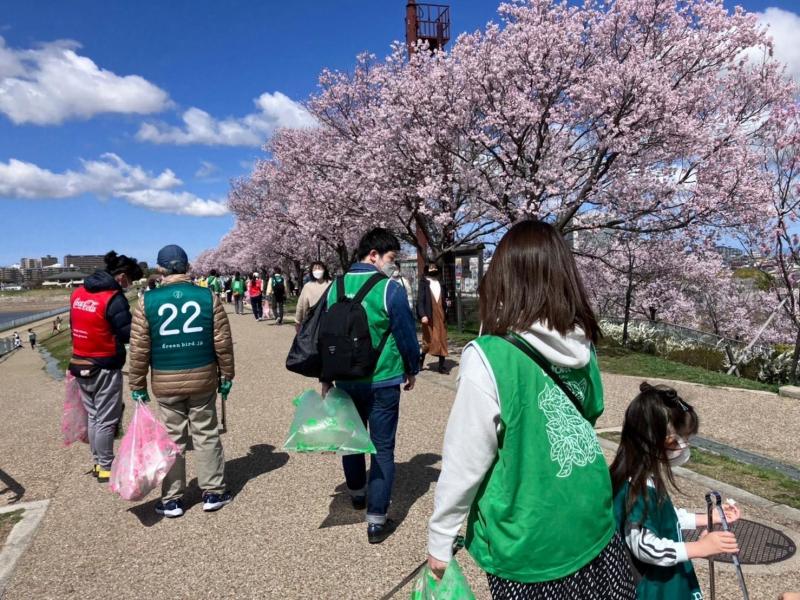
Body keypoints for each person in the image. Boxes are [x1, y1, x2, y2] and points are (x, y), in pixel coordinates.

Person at [426, 220, 635, 599]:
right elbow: (592, 410)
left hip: (531, 539)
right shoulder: (582, 344)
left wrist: (440, 538)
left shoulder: (489, 355)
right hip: (592, 514)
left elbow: (466, 458)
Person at [322, 227, 420, 544]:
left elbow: (323, 338)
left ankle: (357, 493)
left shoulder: (333, 287)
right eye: (391, 258)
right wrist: (412, 368)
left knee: (352, 440)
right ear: (373, 255)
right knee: (382, 447)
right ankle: (377, 521)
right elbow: (406, 333)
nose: (393, 265)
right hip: (383, 378)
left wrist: (324, 377)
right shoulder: (389, 290)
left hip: (345, 378)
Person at [128, 244, 235, 518]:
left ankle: (173, 499)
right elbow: (222, 341)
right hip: (203, 376)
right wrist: (227, 374)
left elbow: (140, 347)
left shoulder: (146, 301)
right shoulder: (206, 296)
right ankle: (213, 491)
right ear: (187, 267)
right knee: (206, 434)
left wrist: (137, 384)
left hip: (165, 379)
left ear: (161, 269)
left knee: (172, 438)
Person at [611, 382, 741, 599]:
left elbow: (666, 518)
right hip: (651, 588)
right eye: (677, 442)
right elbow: (645, 546)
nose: (684, 447)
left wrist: (707, 517)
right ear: (653, 442)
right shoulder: (635, 487)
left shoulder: (647, 477)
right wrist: (698, 548)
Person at [69, 250, 143, 483]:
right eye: (131, 280)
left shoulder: (78, 293)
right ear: (122, 276)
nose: (130, 285)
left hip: (80, 361)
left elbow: (73, 324)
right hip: (104, 363)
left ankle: (97, 460)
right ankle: (106, 466)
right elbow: (126, 333)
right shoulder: (113, 297)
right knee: (107, 419)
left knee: (93, 416)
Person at [417, 263, 449, 374]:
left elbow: (446, 298)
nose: (433, 269)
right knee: (428, 340)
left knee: (442, 339)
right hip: (429, 316)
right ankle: (421, 360)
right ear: (427, 270)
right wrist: (423, 315)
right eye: (431, 268)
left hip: (441, 315)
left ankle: (441, 366)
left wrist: (447, 303)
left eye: (435, 267)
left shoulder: (441, 283)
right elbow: (420, 301)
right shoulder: (424, 283)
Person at [295, 261, 331, 331]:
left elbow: (301, 305)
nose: (317, 270)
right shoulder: (308, 286)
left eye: (319, 268)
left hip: (314, 322)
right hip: (326, 321)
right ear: (311, 271)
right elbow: (301, 305)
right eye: (315, 269)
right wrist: (298, 320)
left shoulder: (331, 285)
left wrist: (298, 321)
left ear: (324, 270)